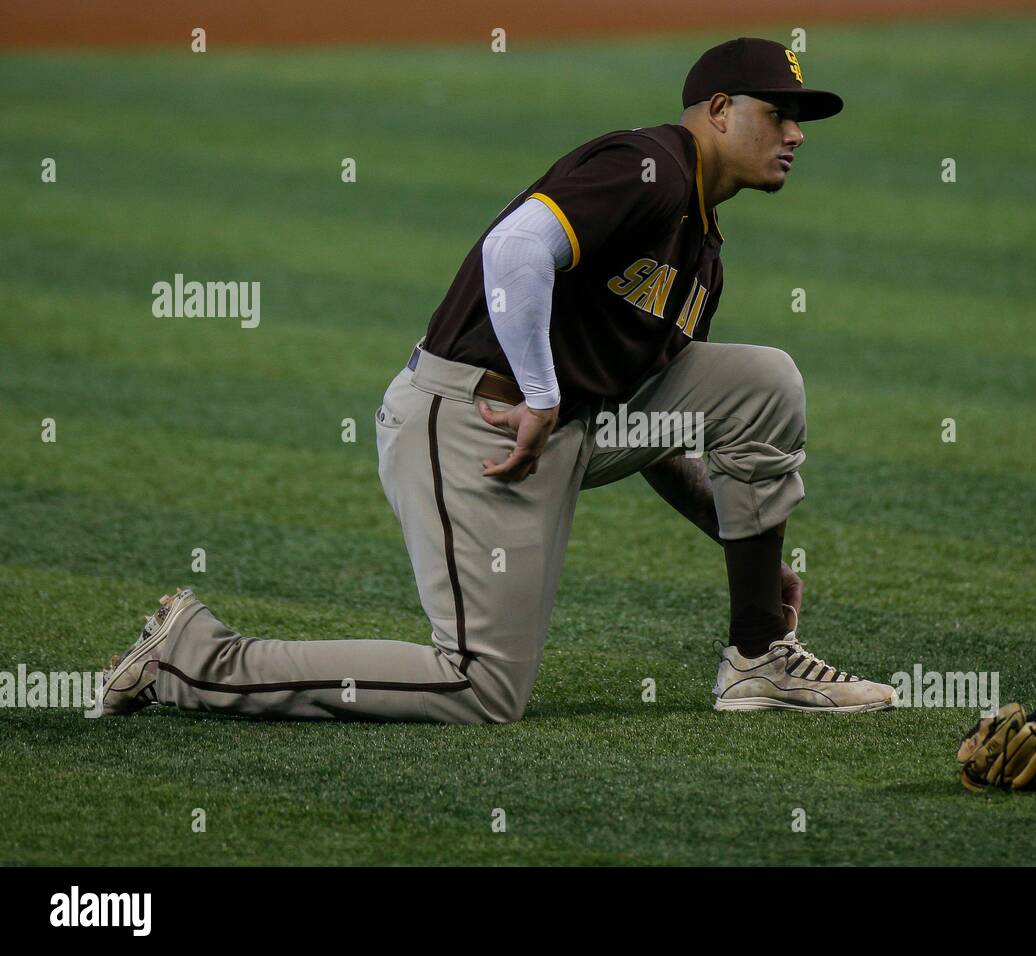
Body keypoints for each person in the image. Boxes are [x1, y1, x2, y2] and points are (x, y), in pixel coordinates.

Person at [96, 38, 899, 722]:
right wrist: (545, 393)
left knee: (761, 382)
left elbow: (656, 427)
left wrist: (740, 541)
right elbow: (512, 251)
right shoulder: (646, 166)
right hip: (470, 423)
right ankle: (193, 657)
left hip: (565, 429)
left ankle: (759, 653)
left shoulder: (701, 249)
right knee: (481, 686)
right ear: (720, 110)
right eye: (779, 112)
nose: (796, 133)